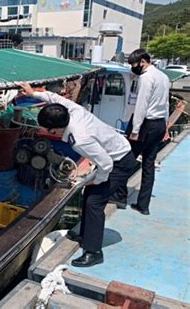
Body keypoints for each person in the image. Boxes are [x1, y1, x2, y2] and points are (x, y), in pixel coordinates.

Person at [20, 83, 136, 267]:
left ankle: (93, 251)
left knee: (94, 202)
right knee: (89, 196)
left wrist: (95, 181)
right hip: (116, 150)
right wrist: (33, 93)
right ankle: (84, 233)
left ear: (55, 129)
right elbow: (55, 99)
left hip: (120, 161)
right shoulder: (72, 110)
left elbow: (106, 164)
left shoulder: (79, 139)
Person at [110, 49, 169, 215]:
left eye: (134, 64)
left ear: (143, 61)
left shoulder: (145, 78)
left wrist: (135, 130)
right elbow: (165, 104)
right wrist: (165, 125)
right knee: (148, 164)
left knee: (124, 158)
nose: (133, 67)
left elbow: (141, 105)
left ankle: (119, 196)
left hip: (145, 124)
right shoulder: (163, 76)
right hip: (159, 124)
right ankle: (144, 205)